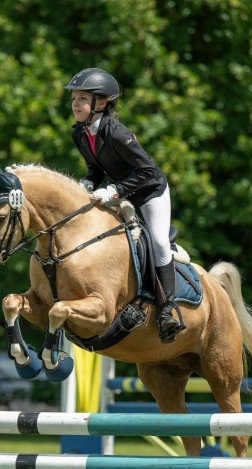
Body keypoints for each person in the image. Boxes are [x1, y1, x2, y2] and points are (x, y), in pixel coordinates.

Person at [65, 67, 185, 343]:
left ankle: (169, 310)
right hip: (119, 193)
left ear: (102, 103)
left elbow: (148, 172)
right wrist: (86, 184)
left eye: (83, 99)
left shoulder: (118, 133)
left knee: (157, 242)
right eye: (74, 99)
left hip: (150, 192)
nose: (76, 105)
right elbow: (95, 168)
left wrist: (113, 190)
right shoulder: (81, 134)